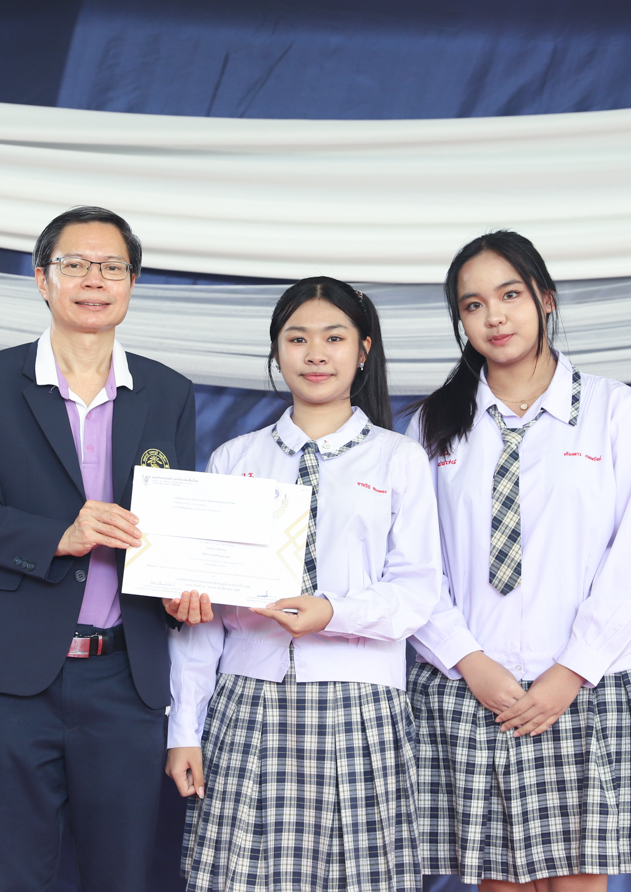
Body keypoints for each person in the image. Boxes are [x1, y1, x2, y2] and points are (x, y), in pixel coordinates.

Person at [0, 206, 198, 892]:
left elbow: (178, 526)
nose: (94, 280)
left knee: (121, 875)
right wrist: (61, 536)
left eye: (112, 267)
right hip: (15, 678)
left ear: (132, 282)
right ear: (41, 278)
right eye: (75, 264)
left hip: (126, 677)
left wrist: (182, 592)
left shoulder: (168, 392)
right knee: (11, 876)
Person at [407, 230, 631, 891]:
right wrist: (470, 662)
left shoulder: (613, 410)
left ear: (545, 300)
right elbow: (413, 566)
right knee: (500, 883)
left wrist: (570, 673)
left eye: (510, 296)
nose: (494, 317)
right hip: (473, 685)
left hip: (584, 683)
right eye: (473, 305)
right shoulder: (433, 424)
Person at [165, 277, 441, 892]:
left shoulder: (398, 459)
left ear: (363, 350)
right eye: (297, 338)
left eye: (334, 338)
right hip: (247, 701)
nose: (316, 354)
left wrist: (332, 612)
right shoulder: (235, 460)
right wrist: (184, 731)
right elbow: (203, 620)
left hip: (361, 705)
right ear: (276, 350)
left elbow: (417, 592)